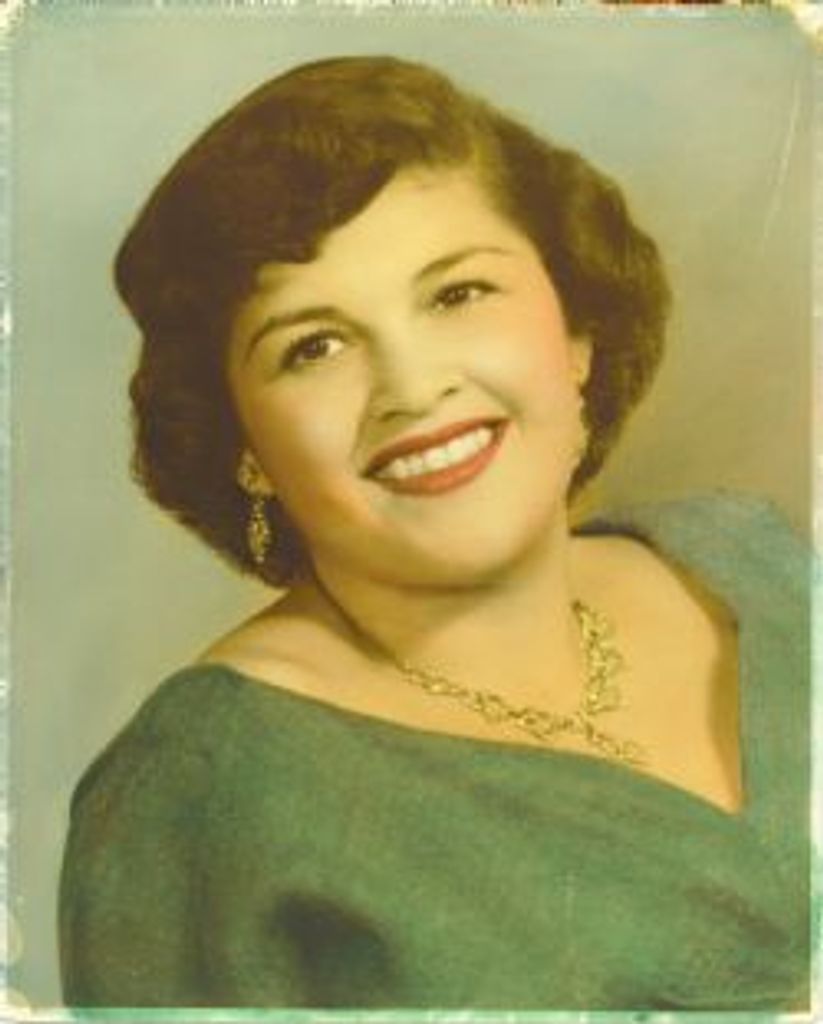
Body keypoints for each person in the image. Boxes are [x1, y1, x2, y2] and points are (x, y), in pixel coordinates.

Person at [58, 56, 810, 1010]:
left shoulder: (756, 563)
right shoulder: (192, 796)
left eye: (457, 295)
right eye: (314, 347)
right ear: (243, 446)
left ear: (575, 330)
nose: (412, 390)